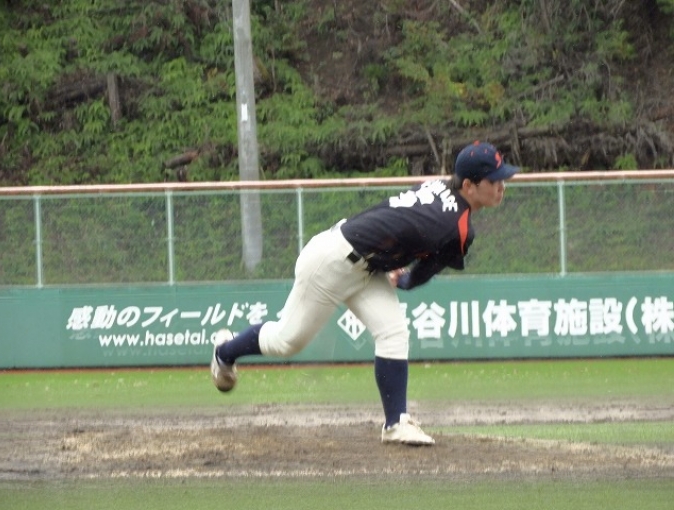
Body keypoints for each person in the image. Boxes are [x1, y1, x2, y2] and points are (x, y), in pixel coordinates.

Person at [211, 141, 519, 446]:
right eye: (494, 180)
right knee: (286, 341)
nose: (501, 186)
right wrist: (406, 280)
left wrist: (397, 265)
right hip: (331, 263)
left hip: (365, 266)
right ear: (468, 185)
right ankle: (224, 351)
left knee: (393, 332)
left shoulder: (439, 186)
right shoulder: (457, 226)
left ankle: (395, 424)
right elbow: (425, 269)